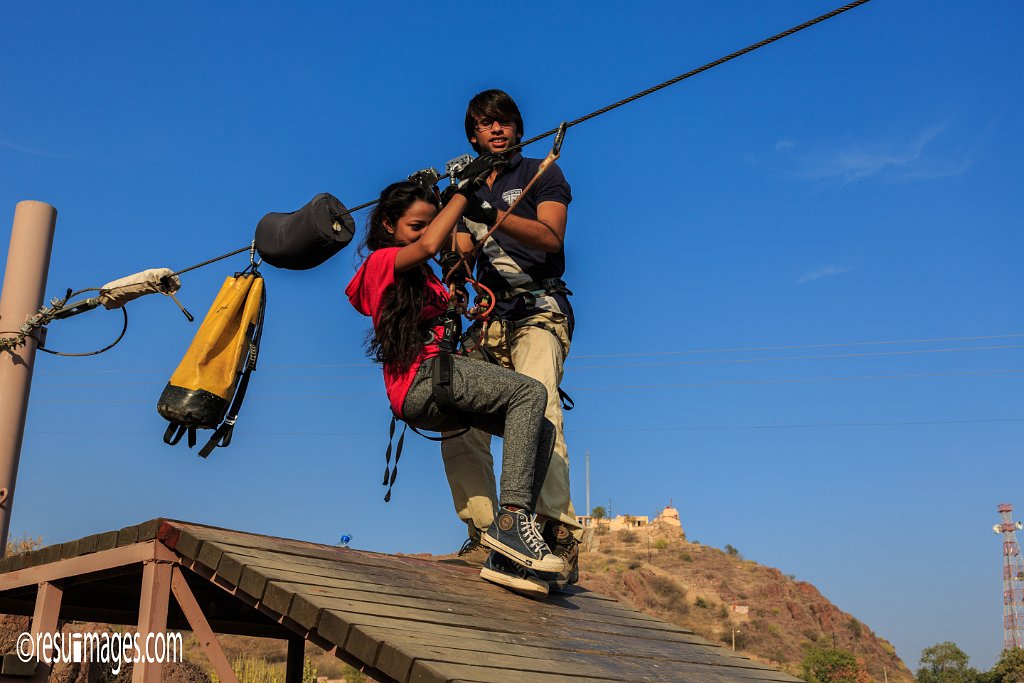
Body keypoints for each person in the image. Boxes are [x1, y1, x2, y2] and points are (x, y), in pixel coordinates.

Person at [345, 167, 563, 597]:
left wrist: (456, 301)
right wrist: (463, 193)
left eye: (430, 221)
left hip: (435, 381)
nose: (427, 233)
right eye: (415, 224)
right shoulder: (381, 261)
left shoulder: (423, 277)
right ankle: (511, 525)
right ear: (389, 226)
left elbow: (432, 257)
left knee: (541, 426)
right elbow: (430, 244)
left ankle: (504, 558)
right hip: (421, 380)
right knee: (529, 391)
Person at [441, 89, 584, 591]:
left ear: (518, 130)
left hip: (538, 312)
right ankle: (484, 528)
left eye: (504, 121)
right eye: (485, 124)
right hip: (488, 320)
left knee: (538, 399)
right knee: (455, 412)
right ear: (473, 135)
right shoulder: (469, 187)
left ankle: (554, 528)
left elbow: (550, 238)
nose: (496, 129)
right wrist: (452, 214)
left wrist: (489, 214)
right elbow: (458, 258)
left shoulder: (542, 175)